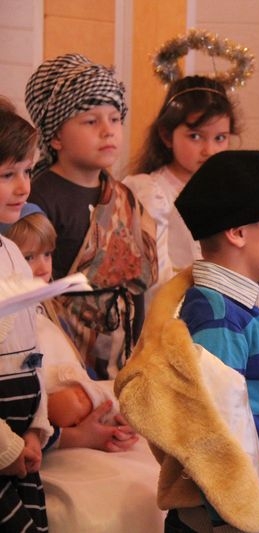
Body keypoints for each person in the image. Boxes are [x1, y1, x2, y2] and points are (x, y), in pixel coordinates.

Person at [115, 150, 259, 533]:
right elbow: (220, 436)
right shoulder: (219, 319)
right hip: (237, 520)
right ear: (238, 233)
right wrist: (254, 516)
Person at [24, 53, 158, 378]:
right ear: (55, 136)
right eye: (91, 121)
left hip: (122, 358)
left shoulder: (124, 196)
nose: (107, 131)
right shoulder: (39, 198)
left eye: (114, 118)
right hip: (62, 363)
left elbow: (136, 284)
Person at [2, 203, 138, 452]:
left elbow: (81, 372)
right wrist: (75, 434)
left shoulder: (51, 313)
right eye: (28, 257)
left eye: (47, 254)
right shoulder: (9, 326)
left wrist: (106, 414)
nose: (43, 267)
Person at [124, 75, 238, 293]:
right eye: (195, 136)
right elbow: (155, 277)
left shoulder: (231, 191)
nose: (209, 150)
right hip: (172, 305)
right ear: (167, 136)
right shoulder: (151, 193)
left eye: (220, 138)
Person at [0, 99, 53, 531]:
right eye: (7, 175)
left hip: (21, 444)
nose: (23, 188)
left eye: (28, 171)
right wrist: (6, 449)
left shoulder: (13, 254)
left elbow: (31, 353)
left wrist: (36, 428)